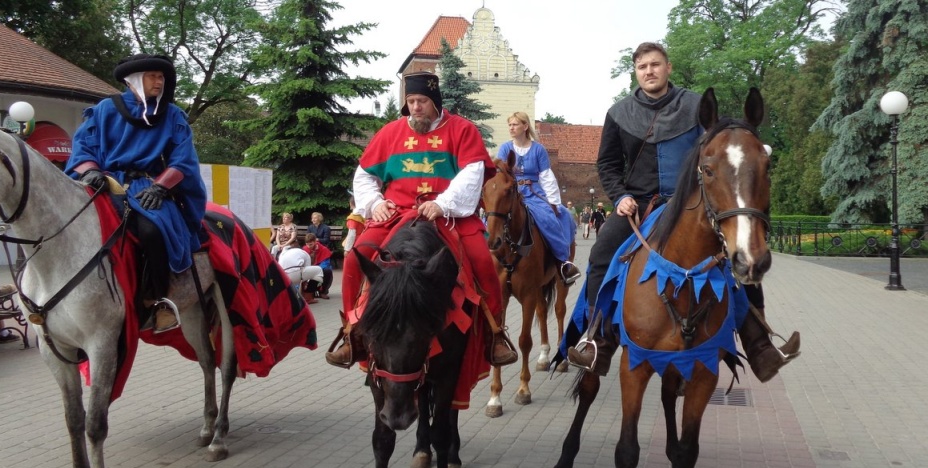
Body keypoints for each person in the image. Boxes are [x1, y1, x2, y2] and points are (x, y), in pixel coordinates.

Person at [567, 42, 799, 382]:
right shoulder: (619, 113)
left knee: (739, 255)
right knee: (602, 254)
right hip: (639, 205)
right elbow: (608, 164)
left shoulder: (696, 107)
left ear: (668, 67)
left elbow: (716, 155)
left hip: (690, 203)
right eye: (642, 66)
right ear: (636, 72)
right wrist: (619, 197)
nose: (649, 71)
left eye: (655, 64)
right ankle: (596, 340)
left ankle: (760, 346)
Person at [325, 71, 517, 368]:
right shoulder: (390, 133)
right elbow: (364, 175)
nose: (416, 107)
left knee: (483, 261)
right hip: (396, 213)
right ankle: (353, 333)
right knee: (355, 258)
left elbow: (472, 173)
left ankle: (495, 334)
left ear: (435, 102)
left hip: (448, 215)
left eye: (422, 101)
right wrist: (375, 203)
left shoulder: (462, 130)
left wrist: (443, 203)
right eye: (411, 101)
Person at [66, 53, 207, 333]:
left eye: (162, 77)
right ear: (134, 80)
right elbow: (84, 147)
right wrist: (90, 170)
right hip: (106, 183)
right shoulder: (104, 110)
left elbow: (184, 160)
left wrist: (161, 186)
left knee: (153, 231)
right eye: (153, 76)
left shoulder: (173, 115)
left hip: (149, 186)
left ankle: (158, 301)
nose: (159, 82)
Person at [496, 112, 580, 286]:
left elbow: (546, 177)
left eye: (515, 124)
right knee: (492, 219)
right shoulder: (505, 148)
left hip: (534, 192)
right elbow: (501, 175)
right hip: (512, 193)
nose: (511, 128)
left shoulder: (538, 149)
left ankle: (563, 262)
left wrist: (554, 203)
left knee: (558, 216)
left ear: (525, 126)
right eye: (510, 125)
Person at [278, 238, 323, 304]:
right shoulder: (304, 253)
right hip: (295, 275)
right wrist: (304, 287)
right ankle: (308, 297)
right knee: (319, 270)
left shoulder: (282, 254)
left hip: (282, 277)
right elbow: (307, 276)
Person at [303, 233, 334, 299]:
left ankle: (323, 291)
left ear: (315, 242)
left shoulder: (323, 249)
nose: (309, 246)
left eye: (311, 244)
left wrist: (316, 269)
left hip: (319, 268)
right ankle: (307, 292)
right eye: (307, 244)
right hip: (308, 268)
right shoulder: (304, 249)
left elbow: (326, 264)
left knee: (327, 271)